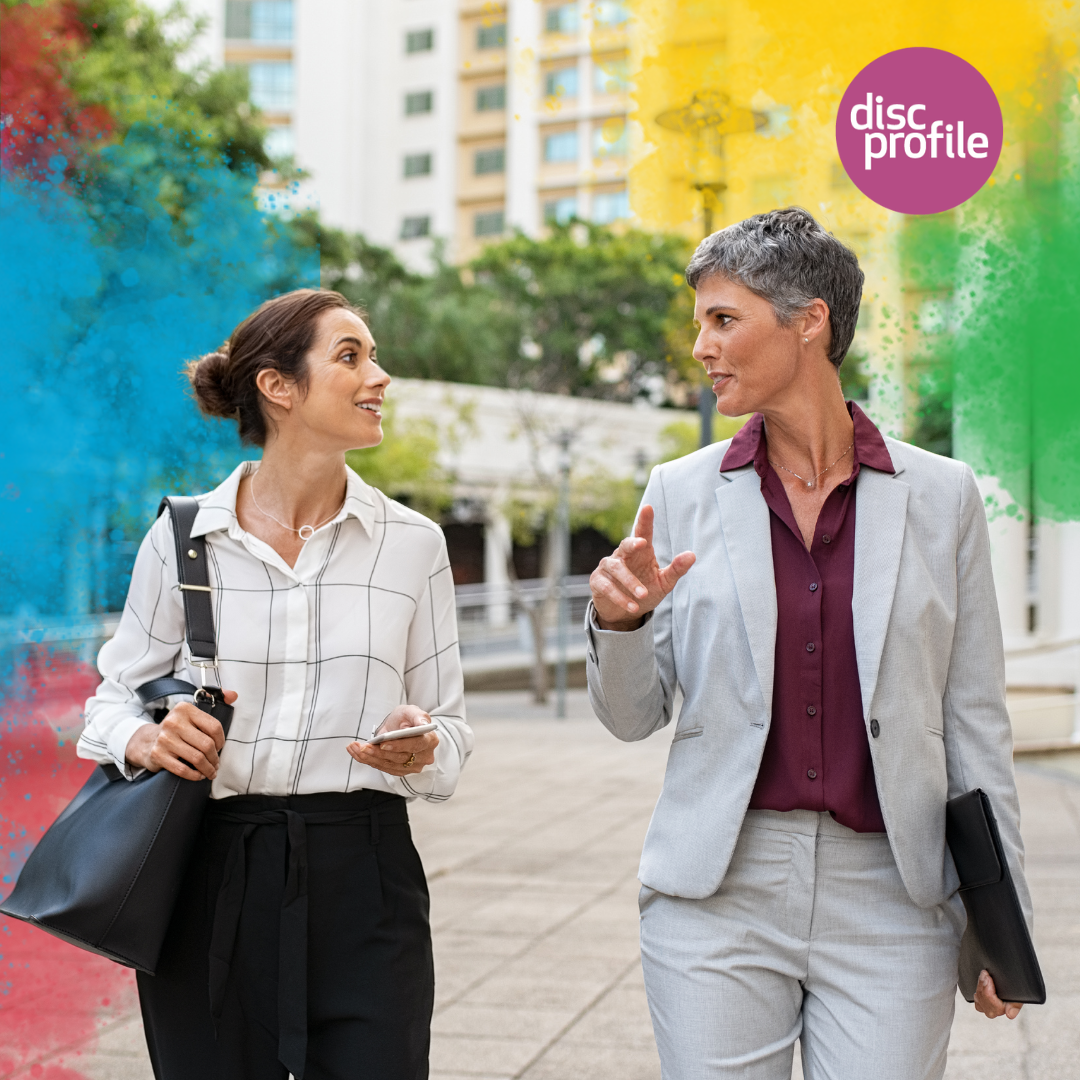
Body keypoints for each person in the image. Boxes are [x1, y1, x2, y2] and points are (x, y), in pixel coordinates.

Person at [585, 208, 1030, 1080]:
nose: (700, 347)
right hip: (718, 892)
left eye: (724, 320)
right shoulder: (679, 492)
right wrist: (623, 623)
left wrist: (997, 915)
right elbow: (633, 717)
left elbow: (974, 718)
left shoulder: (942, 496)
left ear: (809, 321)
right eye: (700, 323)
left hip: (894, 895)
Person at [77, 288, 473, 1080]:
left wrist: (422, 745)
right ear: (278, 387)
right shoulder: (185, 538)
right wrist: (147, 737)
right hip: (210, 872)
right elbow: (111, 698)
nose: (381, 377)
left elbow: (451, 728)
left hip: (367, 876)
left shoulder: (413, 545)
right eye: (352, 356)